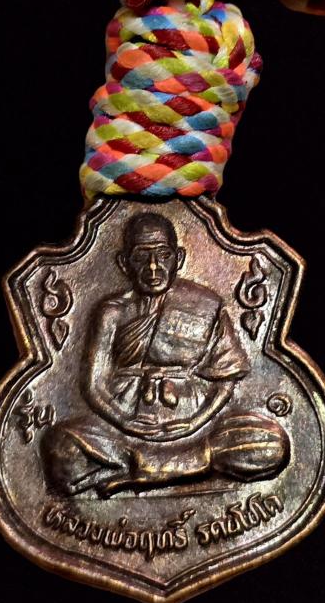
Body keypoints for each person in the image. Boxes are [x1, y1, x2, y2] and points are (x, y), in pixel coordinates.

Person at [41, 213, 289, 498]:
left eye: (163, 255)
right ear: (124, 263)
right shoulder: (111, 312)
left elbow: (226, 378)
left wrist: (194, 422)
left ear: (178, 259)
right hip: (122, 428)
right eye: (141, 257)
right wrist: (125, 422)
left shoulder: (206, 305)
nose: (153, 267)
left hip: (195, 425)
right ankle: (180, 469)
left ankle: (141, 469)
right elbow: (93, 385)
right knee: (60, 448)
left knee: (271, 446)